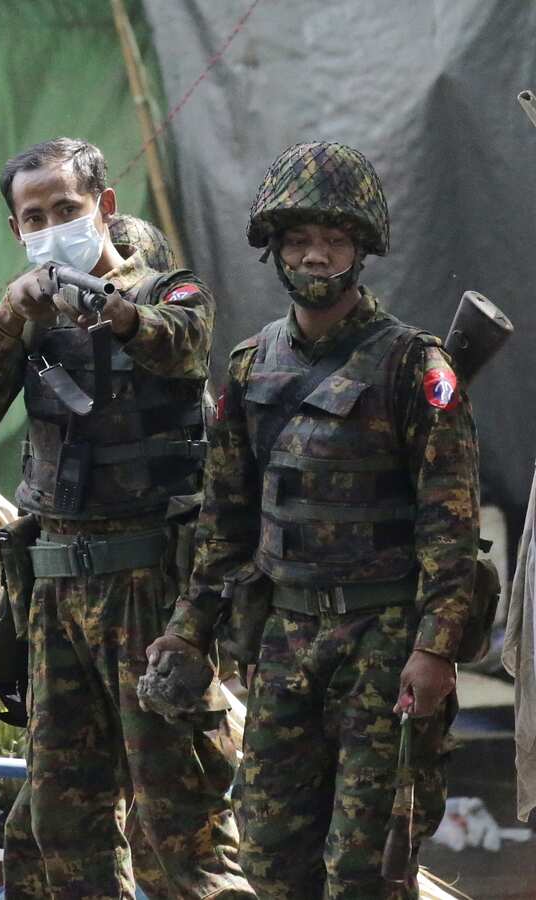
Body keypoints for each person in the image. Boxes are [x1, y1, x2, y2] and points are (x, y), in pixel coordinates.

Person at [150, 140, 479, 897]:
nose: (317, 257)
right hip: (285, 643)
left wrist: (434, 650)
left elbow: (449, 526)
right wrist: (190, 627)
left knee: (364, 871)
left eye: (334, 241)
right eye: (300, 241)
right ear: (276, 251)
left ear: (361, 251)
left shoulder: (413, 366)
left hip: (384, 643)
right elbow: (225, 521)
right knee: (269, 860)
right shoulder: (247, 365)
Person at [0, 137, 251, 898]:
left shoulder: (169, 290)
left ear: (104, 208)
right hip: (55, 596)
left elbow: (182, 346)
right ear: (16, 228)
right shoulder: (27, 315)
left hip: (148, 589)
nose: (51, 227)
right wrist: (8, 317)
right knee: (63, 824)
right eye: (34, 216)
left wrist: (115, 315)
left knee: (177, 827)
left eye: (66, 209)